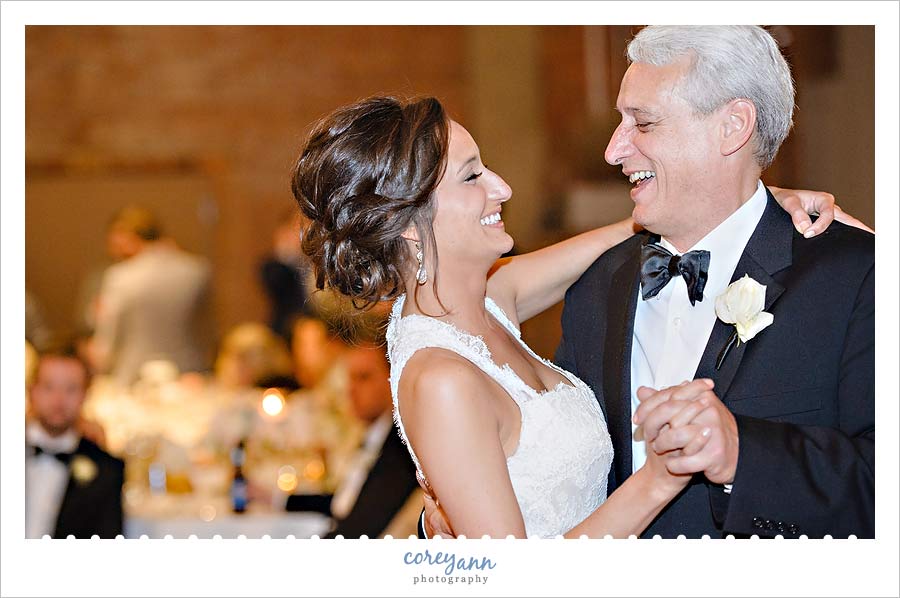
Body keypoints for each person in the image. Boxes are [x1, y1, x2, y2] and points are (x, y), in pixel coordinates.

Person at [293, 94, 855, 538]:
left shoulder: (485, 301)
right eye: (471, 176)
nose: (502, 187)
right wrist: (660, 478)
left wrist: (753, 204)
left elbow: (626, 232)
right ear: (409, 227)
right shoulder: (442, 378)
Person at [552, 25, 874, 539]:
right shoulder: (595, 289)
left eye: (643, 123)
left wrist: (745, 455)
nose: (613, 151)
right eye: (620, 122)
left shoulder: (856, 277)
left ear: (733, 127)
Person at [90, 206, 215, 386]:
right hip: (189, 373)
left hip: (135, 376)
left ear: (131, 238)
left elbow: (108, 337)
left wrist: (98, 365)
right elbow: (207, 329)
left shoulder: (120, 276)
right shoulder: (197, 270)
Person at [26, 346, 124, 539]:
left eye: (71, 389)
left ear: (86, 395)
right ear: (31, 391)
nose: (58, 400)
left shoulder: (106, 469)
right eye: (48, 387)